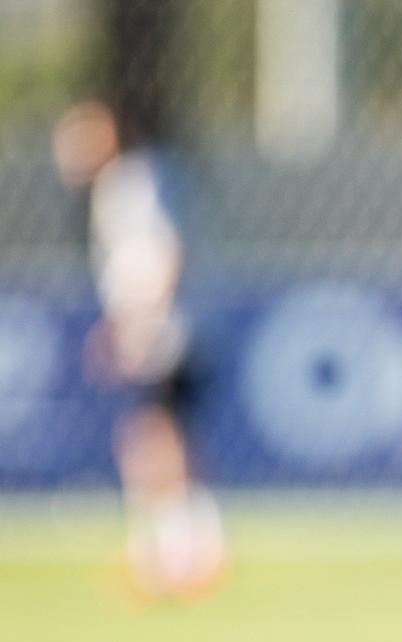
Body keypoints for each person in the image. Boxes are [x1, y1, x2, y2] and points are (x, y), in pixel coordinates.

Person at [52, 98, 226, 598]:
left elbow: (162, 252)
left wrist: (138, 323)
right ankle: (190, 547)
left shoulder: (133, 184)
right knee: (166, 435)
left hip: (168, 329)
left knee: (152, 437)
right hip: (175, 323)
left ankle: (171, 552)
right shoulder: (136, 180)